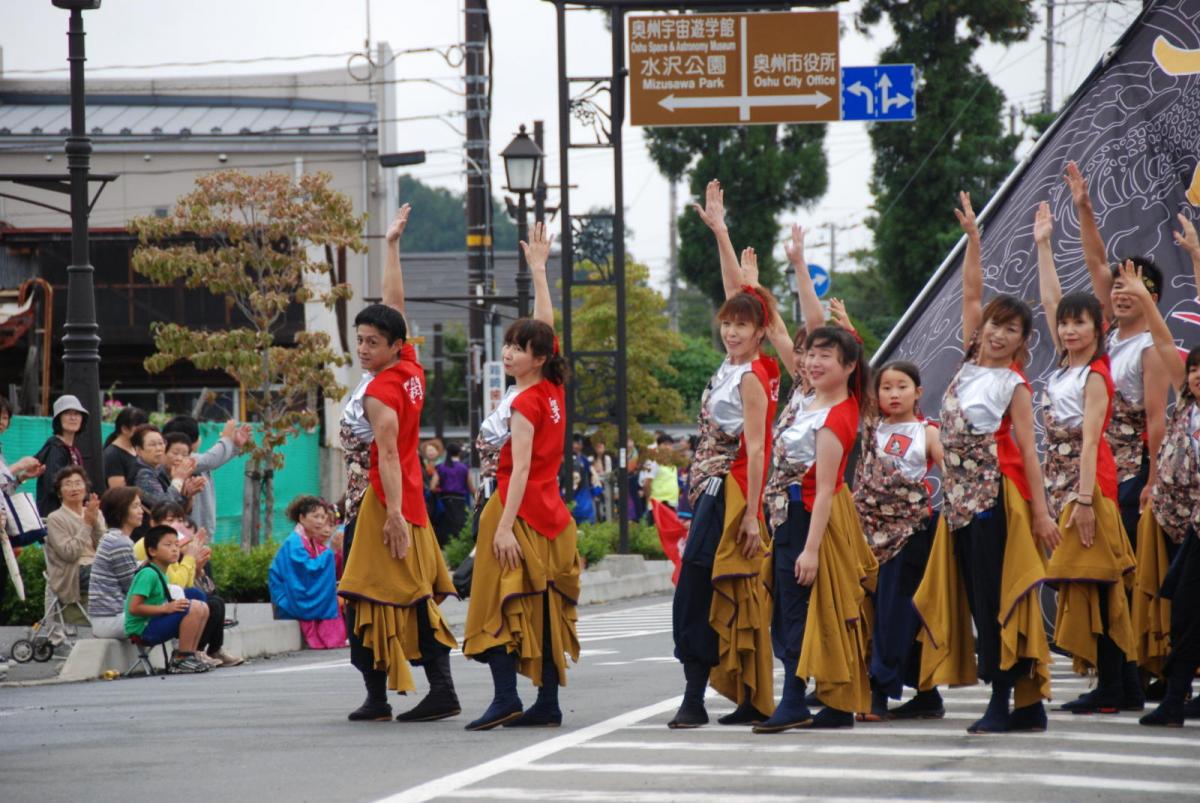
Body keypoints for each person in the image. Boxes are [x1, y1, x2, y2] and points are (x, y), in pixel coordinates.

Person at [912, 192, 1059, 735]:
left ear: (1023, 343)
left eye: (1010, 330)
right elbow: (971, 290)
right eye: (995, 324)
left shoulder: (1012, 383)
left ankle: (1006, 699)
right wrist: (974, 240)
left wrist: (1042, 514)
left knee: (999, 600)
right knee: (978, 599)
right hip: (959, 503)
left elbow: (1030, 453)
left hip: (996, 500)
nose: (997, 333)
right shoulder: (971, 361)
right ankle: (1029, 705)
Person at [668, 180, 779, 729]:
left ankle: (700, 697)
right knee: (704, 587)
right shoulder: (732, 366)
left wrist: (753, 514)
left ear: (761, 329)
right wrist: (717, 232)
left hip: (732, 494)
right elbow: (740, 292)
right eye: (727, 324)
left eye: (743, 324)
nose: (733, 331)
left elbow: (757, 449)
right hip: (713, 491)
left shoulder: (757, 374)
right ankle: (740, 694)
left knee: (704, 587)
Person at [462, 220, 582, 731]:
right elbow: (546, 328)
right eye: (507, 345)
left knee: (495, 605)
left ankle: (507, 696)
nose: (508, 352)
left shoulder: (527, 402)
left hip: (517, 512)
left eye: (517, 347)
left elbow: (520, 470)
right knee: (543, 609)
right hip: (553, 514)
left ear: (537, 358)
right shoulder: (551, 389)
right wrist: (539, 270)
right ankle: (546, 703)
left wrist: (505, 526)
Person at [337, 268, 460, 721]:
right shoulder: (408, 368)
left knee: (378, 594)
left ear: (393, 344)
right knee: (395, 594)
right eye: (361, 339)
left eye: (373, 341)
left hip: (381, 501)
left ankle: (431, 691)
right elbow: (396, 308)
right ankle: (380, 696)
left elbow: (386, 456)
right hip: (393, 498)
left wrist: (391, 517)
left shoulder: (382, 391)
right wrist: (390, 246)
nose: (364, 348)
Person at [1034, 201, 1137, 715]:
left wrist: (1085, 500)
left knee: (1100, 584)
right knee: (1083, 583)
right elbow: (1052, 298)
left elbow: (1094, 437)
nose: (1070, 330)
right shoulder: (1062, 367)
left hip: (1088, 485)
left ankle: (1114, 688)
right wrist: (1044, 245)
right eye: (1065, 325)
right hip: (1062, 485)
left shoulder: (1096, 371)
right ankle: (1116, 685)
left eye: (1080, 323)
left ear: (1099, 328)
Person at [756, 325, 876, 732]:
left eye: (825, 355)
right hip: (790, 518)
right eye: (810, 354)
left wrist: (810, 549)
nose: (812, 361)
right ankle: (836, 706)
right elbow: (782, 331)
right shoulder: (809, 401)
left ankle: (793, 700)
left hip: (806, 520)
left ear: (848, 366)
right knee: (805, 613)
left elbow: (824, 489)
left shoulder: (834, 416)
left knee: (796, 614)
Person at [1111, 256, 1200, 726]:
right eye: (1195, 370)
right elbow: (1165, 340)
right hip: (1187, 520)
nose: (1198, 376)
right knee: (1182, 605)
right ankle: (1174, 696)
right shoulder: (1188, 403)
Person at [854, 361, 945, 722]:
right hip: (864, 534)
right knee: (869, 612)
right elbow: (848, 370)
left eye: (902, 386)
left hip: (909, 534)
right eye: (886, 387)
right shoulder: (868, 428)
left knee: (897, 615)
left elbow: (951, 475)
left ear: (918, 392)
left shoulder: (928, 432)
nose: (893, 394)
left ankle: (879, 690)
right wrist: (846, 330)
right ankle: (926, 694)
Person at [133, 502, 241, 667]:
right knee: (202, 604)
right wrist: (190, 557)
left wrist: (196, 566)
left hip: (165, 602)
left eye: (179, 520)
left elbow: (184, 584)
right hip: (149, 619)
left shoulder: (171, 548)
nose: (175, 525)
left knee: (210, 600)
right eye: (169, 521)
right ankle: (187, 655)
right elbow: (175, 585)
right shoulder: (149, 547)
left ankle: (205, 650)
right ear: (153, 523)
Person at [124, 525, 211, 674]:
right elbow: (134, 608)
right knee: (193, 607)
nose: (175, 549)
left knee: (202, 606)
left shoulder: (162, 573)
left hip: (153, 621)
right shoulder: (148, 574)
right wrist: (166, 608)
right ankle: (181, 659)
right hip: (142, 629)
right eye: (168, 545)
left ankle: (191, 655)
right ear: (152, 551)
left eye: (177, 545)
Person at [270, 495, 347, 649]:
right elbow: (307, 572)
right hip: (288, 599)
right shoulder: (295, 543)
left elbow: (331, 570)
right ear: (302, 518)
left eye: (323, 517)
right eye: (315, 516)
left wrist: (338, 552)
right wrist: (332, 551)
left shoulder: (312, 542)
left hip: (299, 595)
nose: (320, 521)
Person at [161, 415, 252, 539]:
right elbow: (211, 459)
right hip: (188, 534)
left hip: (199, 532)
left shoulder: (194, 461)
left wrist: (235, 445)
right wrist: (226, 438)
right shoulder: (186, 461)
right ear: (195, 440)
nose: (179, 457)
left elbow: (215, 459)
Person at [43, 466, 105, 628]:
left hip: (96, 565)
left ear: (85, 488)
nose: (74, 488)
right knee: (111, 573)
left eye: (78, 483)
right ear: (59, 492)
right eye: (68, 484)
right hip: (74, 570)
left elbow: (104, 547)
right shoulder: (55, 518)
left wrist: (95, 520)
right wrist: (87, 524)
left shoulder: (93, 512)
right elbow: (70, 554)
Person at [87, 487, 143, 639]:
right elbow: (134, 588)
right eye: (135, 506)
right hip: (112, 618)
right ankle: (183, 656)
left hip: (111, 616)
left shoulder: (112, 537)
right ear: (120, 512)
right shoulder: (120, 542)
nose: (141, 511)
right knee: (177, 607)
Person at [131, 424, 203, 520]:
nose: (159, 448)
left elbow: (178, 509)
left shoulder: (158, 470)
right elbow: (165, 505)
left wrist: (187, 494)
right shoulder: (143, 474)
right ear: (138, 450)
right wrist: (178, 479)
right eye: (152, 445)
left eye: (161, 443)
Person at [35, 394, 88, 516]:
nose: (73, 418)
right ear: (58, 418)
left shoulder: (73, 450)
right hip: (55, 517)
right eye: (68, 413)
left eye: (77, 414)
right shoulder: (55, 449)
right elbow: (52, 486)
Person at [434, 442, 474, 545]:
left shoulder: (440, 467)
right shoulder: (465, 467)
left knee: (445, 526)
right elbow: (471, 487)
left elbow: (432, 486)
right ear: (459, 453)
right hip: (460, 501)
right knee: (459, 525)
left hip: (445, 500)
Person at [103, 406, 148, 489]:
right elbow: (118, 491)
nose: (144, 432)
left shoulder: (136, 448)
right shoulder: (112, 455)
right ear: (124, 429)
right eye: (139, 428)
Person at [571, 434, 596, 525]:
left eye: (578, 443)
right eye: (573, 443)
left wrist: (594, 492)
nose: (575, 446)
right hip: (573, 497)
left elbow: (593, 477)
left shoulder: (585, 460)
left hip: (583, 497)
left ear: (581, 446)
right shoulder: (565, 459)